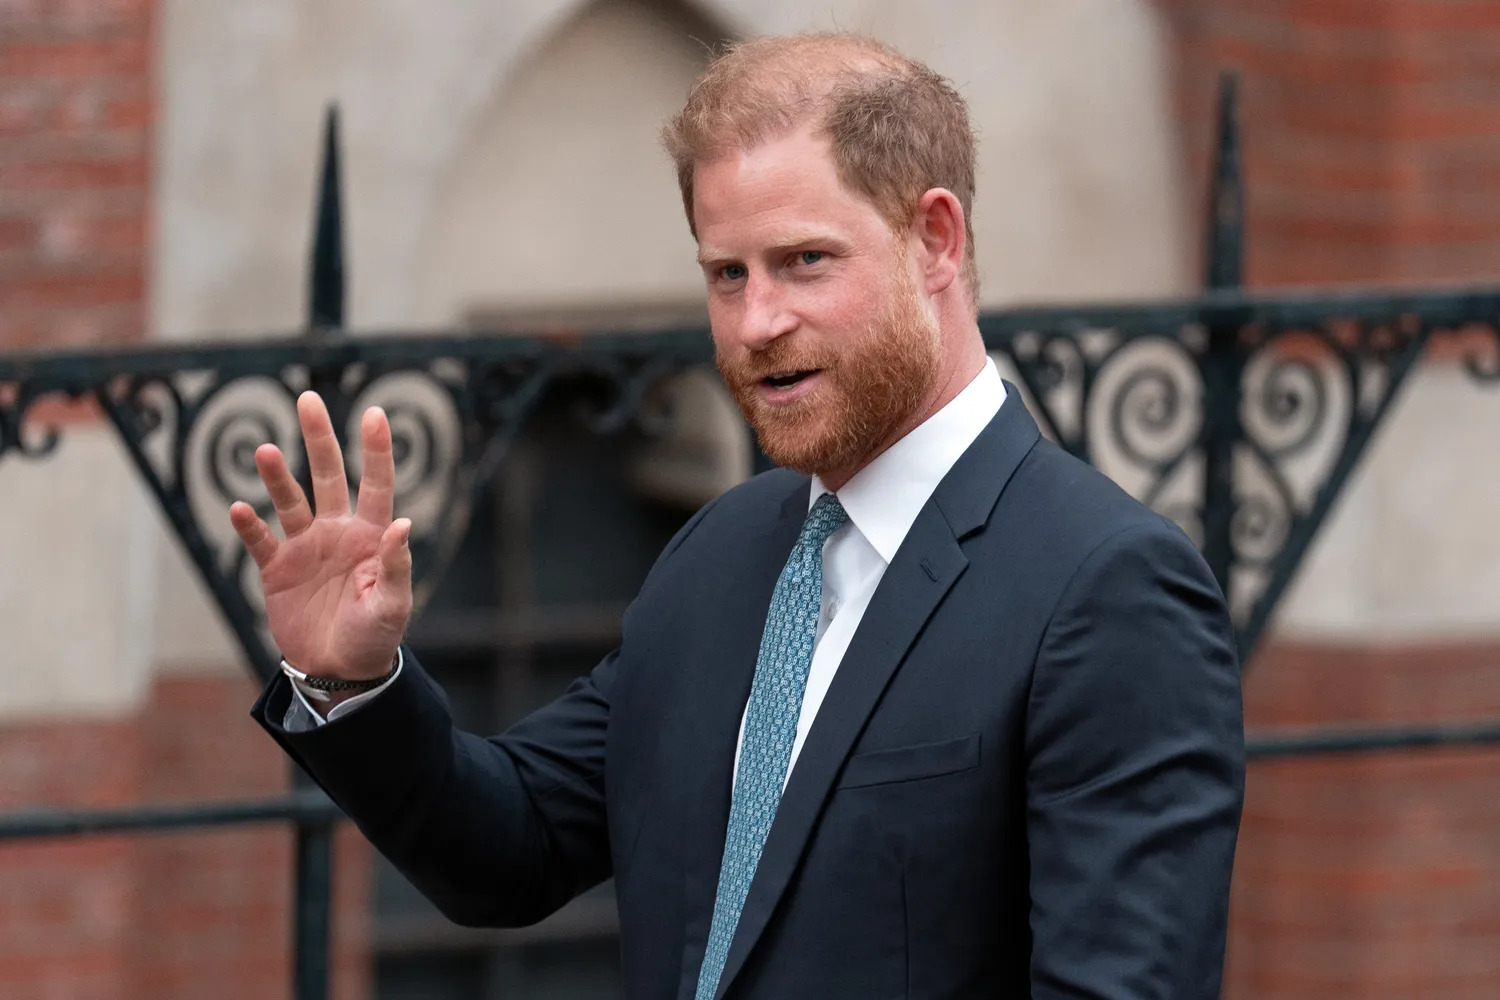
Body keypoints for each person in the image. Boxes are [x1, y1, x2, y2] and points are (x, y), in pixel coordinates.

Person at [237, 33, 1244, 1000]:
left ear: (936, 239)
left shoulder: (1108, 589)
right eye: (729, 273)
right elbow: (514, 845)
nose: (758, 322)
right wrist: (351, 683)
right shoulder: (720, 554)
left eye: (805, 261)